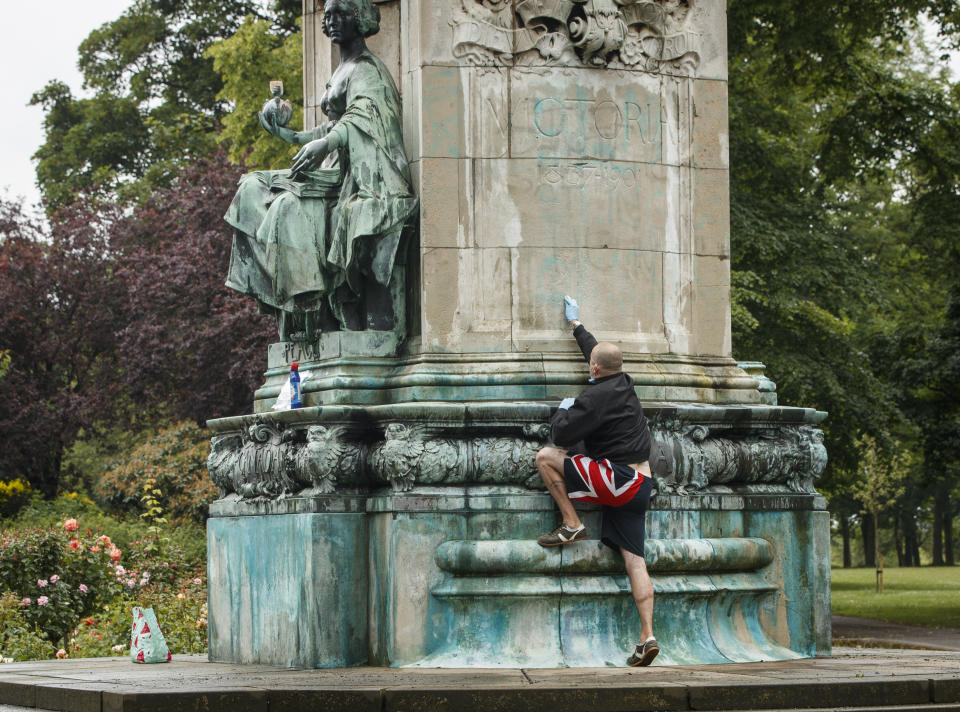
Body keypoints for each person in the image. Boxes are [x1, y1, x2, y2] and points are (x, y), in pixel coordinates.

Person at [224, 0, 417, 339]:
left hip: (362, 177)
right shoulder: (342, 69)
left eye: (341, 13)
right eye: (327, 15)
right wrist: (288, 134)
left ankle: (312, 306)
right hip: (334, 170)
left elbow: (364, 117)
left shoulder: (367, 69)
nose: (332, 21)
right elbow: (330, 129)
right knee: (250, 189)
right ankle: (292, 299)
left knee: (286, 207)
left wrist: (326, 145)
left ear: (360, 19)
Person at [535, 295, 659, 667]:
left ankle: (572, 524)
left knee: (545, 457)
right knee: (635, 560)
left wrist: (565, 407)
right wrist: (577, 327)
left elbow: (560, 436)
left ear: (595, 369)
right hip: (642, 485)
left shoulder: (594, 398)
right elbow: (598, 353)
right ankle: (647, 636)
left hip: (617, 482)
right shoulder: (624, 382)